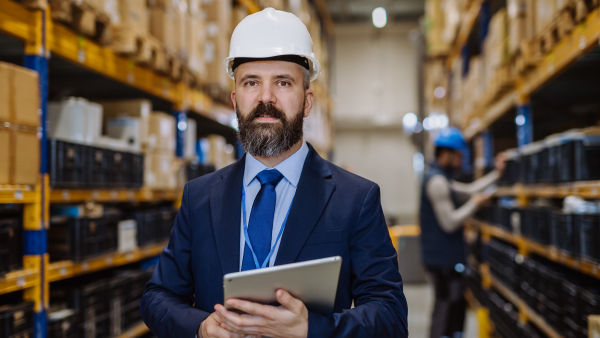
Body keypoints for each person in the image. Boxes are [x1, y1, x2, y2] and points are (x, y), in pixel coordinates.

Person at [140, 8, 408, 338]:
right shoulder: (200, 196)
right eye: (252, 83)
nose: (266, 98)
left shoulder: (355, 199)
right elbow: (158, 297)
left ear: (307, 101)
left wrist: (312, 330)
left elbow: (390, 314)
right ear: (236, 99)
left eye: (283, 82)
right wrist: (201, 328)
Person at [419, 127, 505, 338]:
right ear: (446, 154)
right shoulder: (437, 182)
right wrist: (475, 204)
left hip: (446, 259)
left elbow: (469, 190)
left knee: (454, 309)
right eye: (458, 156)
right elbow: (449, 222)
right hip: (442, 261)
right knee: (445, 310)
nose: (460, 163)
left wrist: (497, 173)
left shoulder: (441, 178)